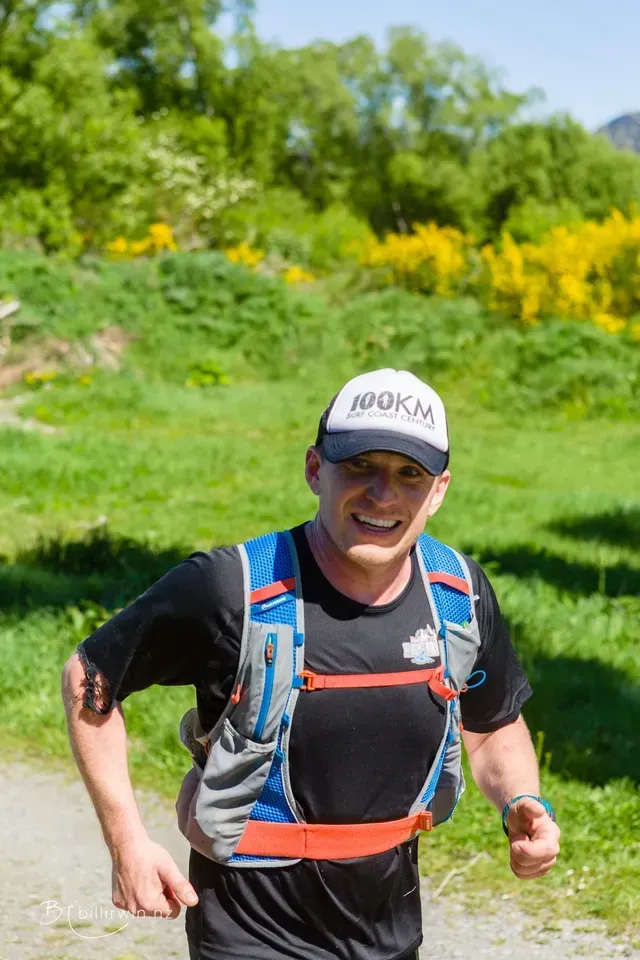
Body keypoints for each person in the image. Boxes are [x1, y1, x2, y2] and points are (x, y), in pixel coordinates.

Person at [61, 368, 560, 960]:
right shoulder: (232, 588)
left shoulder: (457, 595)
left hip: (390, 931)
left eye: (409, 474)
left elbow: (492, 723)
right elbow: (89, 677)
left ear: (439, 490)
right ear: (315, 469)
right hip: (250, 933)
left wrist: (521, 801)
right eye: (360, 465)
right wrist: (127, 844)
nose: (382, 494)